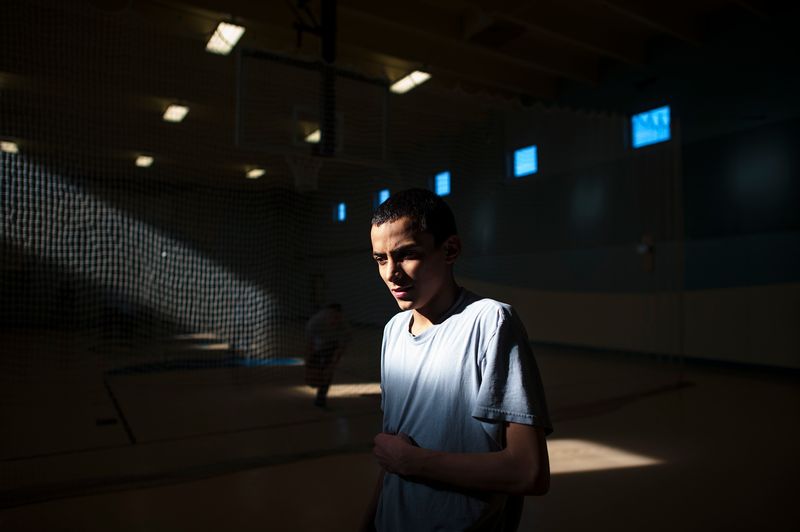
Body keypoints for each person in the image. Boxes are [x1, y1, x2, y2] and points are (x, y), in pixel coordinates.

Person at [362, 188, 552, 531]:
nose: (392, 273)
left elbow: (529, 472)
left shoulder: (489, 322)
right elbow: (394, 455)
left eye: (407, 255)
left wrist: (416, 462)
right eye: (380, 259)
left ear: (450, 249)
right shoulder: (392, 331)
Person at [304, 303, 351, 407]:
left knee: (328, 373)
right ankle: (316, 380)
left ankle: (321, 398)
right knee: (315, 374)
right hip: (318, 344)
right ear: (326, 315)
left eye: (337, 317)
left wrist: (332, 365)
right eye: (332, 317)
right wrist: (309, 365)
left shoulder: (344, 327)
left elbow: (341, 348)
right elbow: (309, 345)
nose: (334, 320)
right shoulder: (315, 323)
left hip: (332, 344)